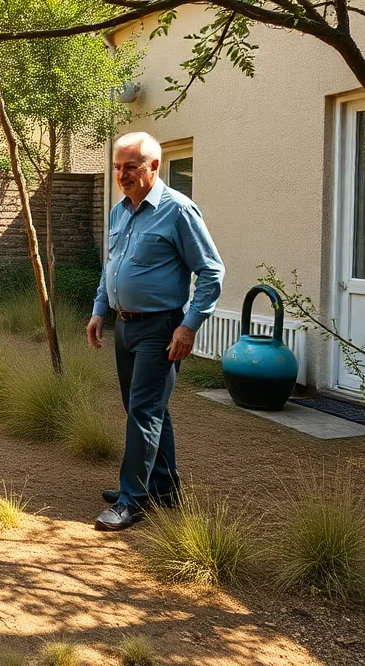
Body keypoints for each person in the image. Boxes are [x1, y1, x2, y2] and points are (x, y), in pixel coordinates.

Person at [85, 132, 224, 531]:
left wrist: (188, 325)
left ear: (154, 167)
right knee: (143, 409)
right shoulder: (119, 211)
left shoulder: (178, 211)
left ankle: (133, 499)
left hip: (161, 329)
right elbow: (111, 266)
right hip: (125, 327)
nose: (122, 175)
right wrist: (99, 310)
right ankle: (163, 487)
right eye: (117, 167)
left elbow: (211, 271)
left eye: (131, 167)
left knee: (143, 411)